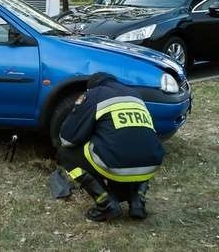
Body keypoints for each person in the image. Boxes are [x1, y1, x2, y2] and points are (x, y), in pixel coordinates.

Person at [57, 72, 165, 222]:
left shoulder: (94, 94)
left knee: (65, 154)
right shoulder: (135, 95)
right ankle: (138, 201)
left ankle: (106, 204)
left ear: (91, 88)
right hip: (151, 164)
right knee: (138, 148)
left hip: (117, 164)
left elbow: (67, 139)